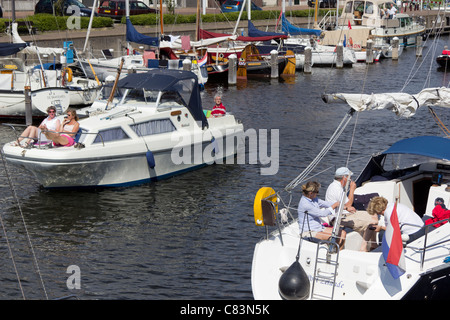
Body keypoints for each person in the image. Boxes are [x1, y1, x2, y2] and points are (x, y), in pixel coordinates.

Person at [325, 167, 378, 251]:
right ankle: (363, 248)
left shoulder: (335, 186)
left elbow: (346, 205)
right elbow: (348, 204)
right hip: (340, 218)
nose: (350, 180)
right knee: (373, 222)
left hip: (346, 214)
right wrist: (352, 189)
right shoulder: (337, 188)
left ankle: (374, 245)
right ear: (344, 177)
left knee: (373, 214)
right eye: (349, 178)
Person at [298, 181, 346, 249]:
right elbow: (322, 214)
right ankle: (331, 253)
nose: (317, 194)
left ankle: (338, 252)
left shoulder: (314, 199)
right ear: (311, 193)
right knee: (333, 237)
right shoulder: (305, 204)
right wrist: (334, 206)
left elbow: (326, 203)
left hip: (319, 228)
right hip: (309, 232)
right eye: (317, 192)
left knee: (343, 233)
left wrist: (342, 205)